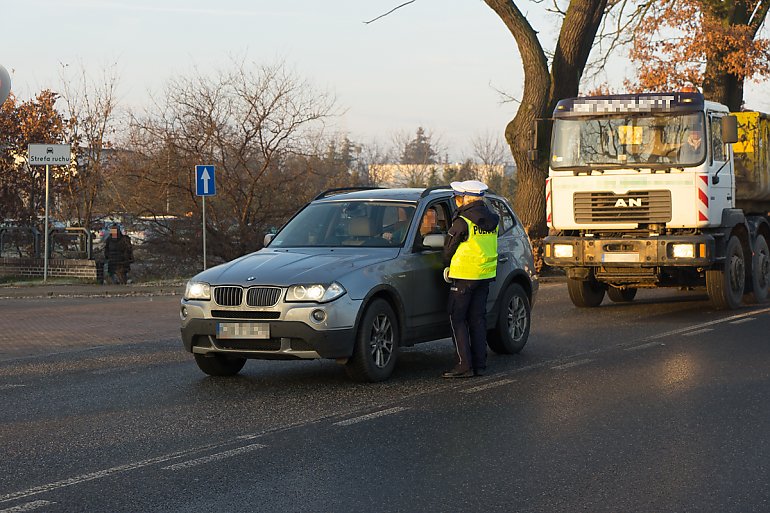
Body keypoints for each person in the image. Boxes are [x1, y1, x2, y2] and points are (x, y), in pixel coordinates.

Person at [442, 180, 499, 378]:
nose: (457, 201)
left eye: (458, 197)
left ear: (466, 198)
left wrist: (446, 264)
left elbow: (448, 250)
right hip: (485, 275)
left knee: (457, 318)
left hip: (464, 276)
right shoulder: (492, 220)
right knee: (477, 319)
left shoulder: (462, 221)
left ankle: (463, 365)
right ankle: (479, 365)